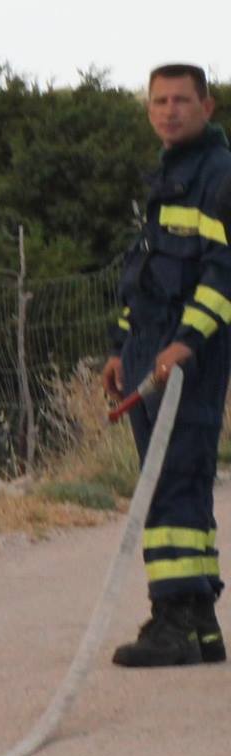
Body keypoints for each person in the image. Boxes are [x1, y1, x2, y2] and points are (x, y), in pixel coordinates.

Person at [103, 62, 231, 667]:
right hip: (148, 352)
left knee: (174, 481)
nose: (169, 110)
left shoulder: (219, 175)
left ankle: (174, 622)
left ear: (208, 108)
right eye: (159, 101)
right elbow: (147, 276)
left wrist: (187, 342)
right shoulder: (169, 176)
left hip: (185, 357)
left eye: (182, 100)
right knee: (174, 481)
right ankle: (200, 626)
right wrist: (120, 346)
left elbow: (222, 272)